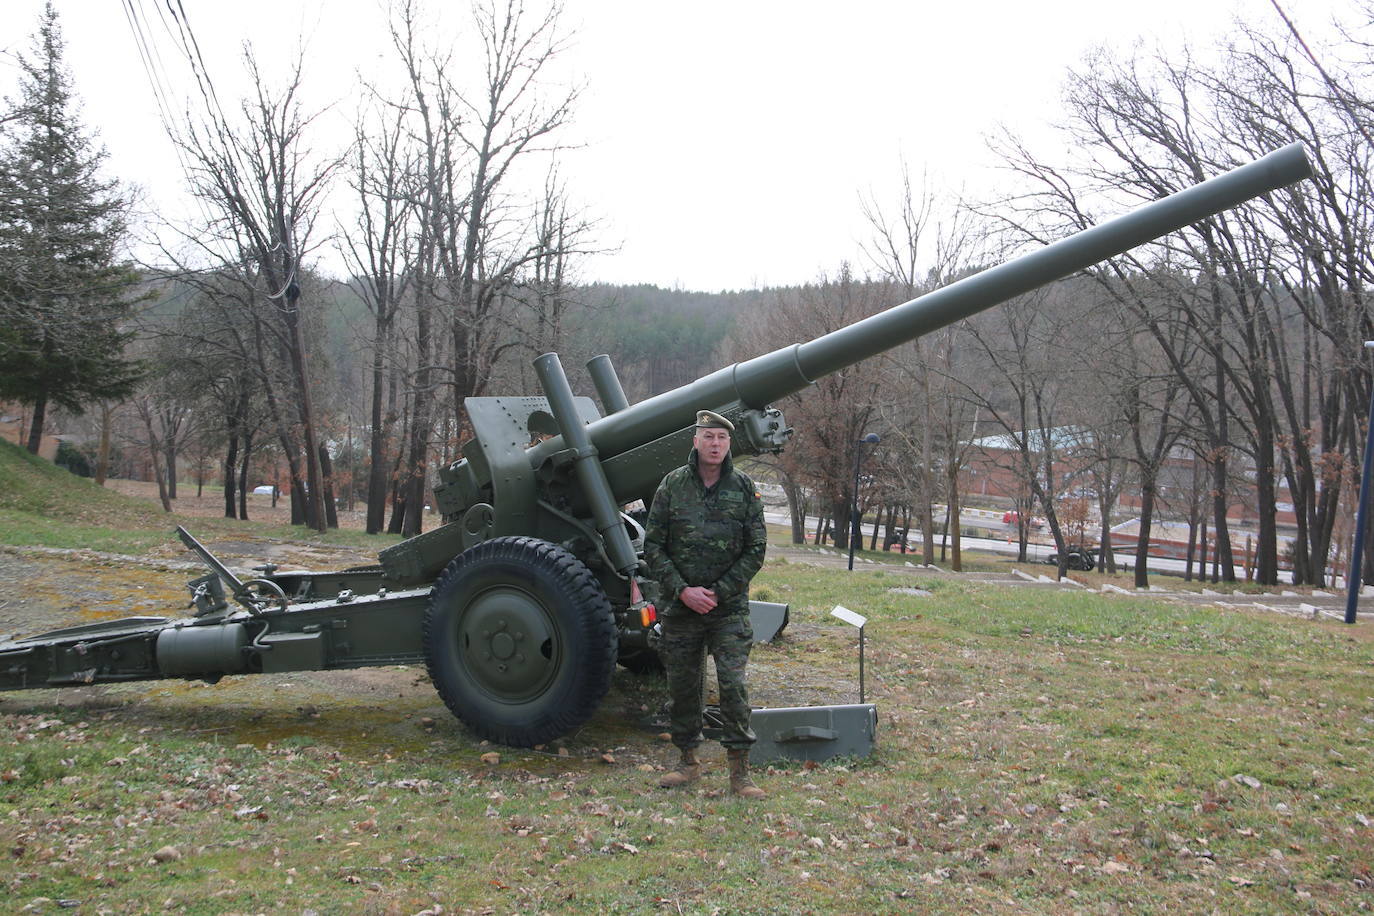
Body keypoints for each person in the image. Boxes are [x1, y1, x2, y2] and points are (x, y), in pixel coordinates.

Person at [643, 409, 768, 799]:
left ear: (729, 444)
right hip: (682, 610)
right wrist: (683, 591)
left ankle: (740, 772)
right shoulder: (672, 486)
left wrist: (719, 590)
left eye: (722, 438)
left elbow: (756, 548)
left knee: (733, 686)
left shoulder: (744, 488)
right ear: (695, 441)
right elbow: (653, 546)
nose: (715, 444)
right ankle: (687, 761)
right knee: (683, 686)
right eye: (709, 437)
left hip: (727, 609)